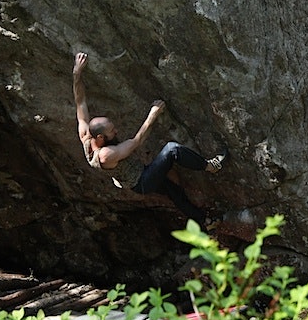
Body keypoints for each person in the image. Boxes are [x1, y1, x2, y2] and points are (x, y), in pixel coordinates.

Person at [72, 51, 225, 222]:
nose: (116, 131)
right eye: (112, 131)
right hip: (142, 181)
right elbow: (137, 141)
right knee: (172, 150)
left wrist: (77, 73)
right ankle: (211, 166)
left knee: (172, 187)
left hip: (140, 175)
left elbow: (80, 102)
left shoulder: (86, 137)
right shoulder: (106, 155)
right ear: (101, 137)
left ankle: (204, 221)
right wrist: (153, 114)